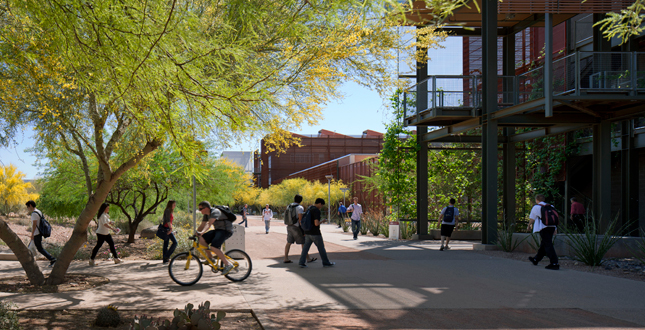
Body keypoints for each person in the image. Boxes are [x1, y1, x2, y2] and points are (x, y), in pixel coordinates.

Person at [196, 201, 234, 275]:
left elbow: (208, 224)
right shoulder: (206, 214)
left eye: (201, 209)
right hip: (218, 230)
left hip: (226, 230)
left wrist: (202, 232)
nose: (200, 211)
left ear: (206, 208)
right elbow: (202, 225)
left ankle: (228, 264)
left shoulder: (215, 212)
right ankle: (211, 258)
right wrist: (195, 234)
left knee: (214, 247)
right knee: (201, 239)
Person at [299, 198, 335, 268]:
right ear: (319, 203)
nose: (321, 207)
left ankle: (301, 262)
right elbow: (316, 223)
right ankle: (326, 262)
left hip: (307, 232)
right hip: (315, 233)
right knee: (321, 248)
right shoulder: (316, 210)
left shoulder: (309, 208)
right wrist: (322, 221)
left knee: (305, 249)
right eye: (321, 205)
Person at [528, 194, 560, 270]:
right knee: (544, 243)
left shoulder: (536, 207)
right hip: (551, 227)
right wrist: (555, 228)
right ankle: (536, 259)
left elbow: (532, 218)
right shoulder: (551, 206)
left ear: (536, 200)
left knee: (548, 244)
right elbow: (554, 218)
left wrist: (529, 225)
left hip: (543, 227)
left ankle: (554, 262)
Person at [284, 194, 316, 264]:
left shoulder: (288, 206)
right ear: (301, 200)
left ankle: (286, 258)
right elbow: (300, 220)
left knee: (289, 242)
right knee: (303, 242)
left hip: (289, 226)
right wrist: (304, 230)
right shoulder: (299, 207)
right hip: (296, 227)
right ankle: (308, 258)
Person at [25, 200, 56, 267]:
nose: (28, 208)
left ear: (30, 205)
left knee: (39, 248)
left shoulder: (34, 213)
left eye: (27, 207)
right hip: (39, 233)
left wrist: (32, 234)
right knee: (35, 248)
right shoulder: (39, 212)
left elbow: (34, 225)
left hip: (36, 233)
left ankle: (52, 259)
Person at [161, 200, 178, 265]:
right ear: (170, 205)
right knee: (175, 242)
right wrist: (170, 229)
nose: (174, 206)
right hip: (167, 228)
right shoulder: (168, 210)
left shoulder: (169, 210)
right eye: (173, 205)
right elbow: (168, 221)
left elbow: (170, 221)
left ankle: (165, 259)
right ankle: (166, 256)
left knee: (166, 243)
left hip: (167, 228)